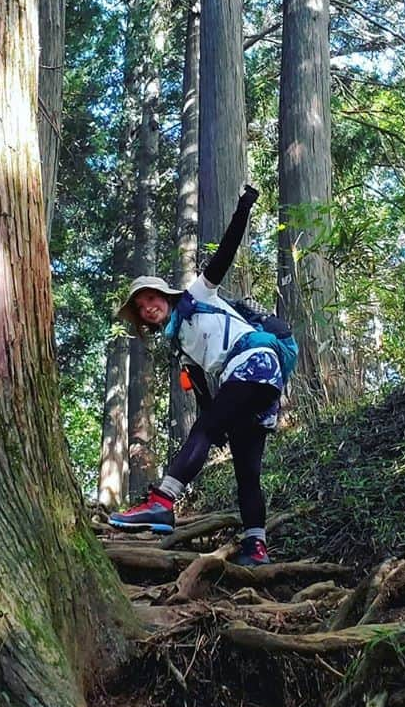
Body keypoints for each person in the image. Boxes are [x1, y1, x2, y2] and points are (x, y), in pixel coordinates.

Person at [109, 185, 282, 566]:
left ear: (166, 296)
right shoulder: (181, 346)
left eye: (152, 298)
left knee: (205, 429)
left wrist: (243, 207)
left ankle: (162, 502)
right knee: (246, 470)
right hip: (247, 384)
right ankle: (257, 546)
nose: (148, 308)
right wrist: (214, 427)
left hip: (255, 363)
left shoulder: (197, 297)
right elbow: (205, 396)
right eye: (140, 307)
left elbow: (224, 254)